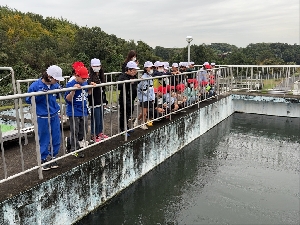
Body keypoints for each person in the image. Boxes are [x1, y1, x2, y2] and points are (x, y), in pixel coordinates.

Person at [25, 65, 64, 170]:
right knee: (44, 138)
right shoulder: (35, 86)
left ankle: (53, 156)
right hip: (42, 117)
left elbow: (59, 95)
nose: (57, 81)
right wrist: (39, 95)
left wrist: (60, 91)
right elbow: (28, 99)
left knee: (56, 137)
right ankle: (43, 159)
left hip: (54, 115)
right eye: (55, 79)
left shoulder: (55, 85)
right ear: (49, 76)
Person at [64, 66, 93, 158]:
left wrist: (90, 87)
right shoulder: (70, 84)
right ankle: (74, 149)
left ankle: (71, 141)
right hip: (74, 111)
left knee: (84, 130)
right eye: (83, 78)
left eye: (86, 78)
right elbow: (67, 99)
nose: (85, 80)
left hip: (83, 110)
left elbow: (87, 95)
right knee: (75, 130)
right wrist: (73, 90)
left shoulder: (85, 83)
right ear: (77, 76)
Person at [87, 58, 109, 142]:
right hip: (94, 101)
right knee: (95, 118)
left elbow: (103, 90)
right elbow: (88, 84)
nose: (97, 67)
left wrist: (105, 101)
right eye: (95, 66)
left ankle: (99, 132)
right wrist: (91, 84)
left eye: (98, 66)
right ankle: (93, 135)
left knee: (100, 118)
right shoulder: (90, 77)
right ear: (91, 67)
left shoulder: (100, 76)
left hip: (101, 101)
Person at [118, 61, 139, 136]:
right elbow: (119, 86)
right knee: (124, 113)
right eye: (133, 70)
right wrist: (128, 82)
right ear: (129, 70)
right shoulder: (123, 76)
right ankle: (123, 130)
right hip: (124, 98)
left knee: (129, 113)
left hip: (131, 98)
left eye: (135, 70)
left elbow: (136, 83)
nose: (135, 72)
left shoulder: (133, 76)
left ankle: (126, 127)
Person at [135, 61, 155, 130]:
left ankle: (137, 120)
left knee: (145, 112)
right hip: (144, 98)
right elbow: (142, 89)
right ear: (146, 68)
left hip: (148, 97)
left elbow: (151, 88)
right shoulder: (143, 78)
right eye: (151, 67)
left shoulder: (150, 76)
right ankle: (142, 123)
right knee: (144, 113)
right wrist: (150, 96)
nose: (152, 69)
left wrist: (152, 97)